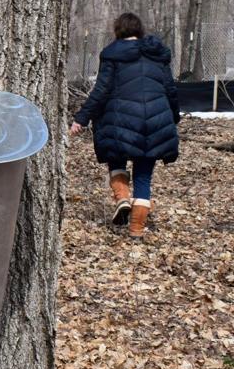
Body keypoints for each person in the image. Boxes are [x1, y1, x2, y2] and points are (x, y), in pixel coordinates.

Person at [69, 12, 179, 240]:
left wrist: (82, 117)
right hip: (155, 121)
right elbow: (170, 89)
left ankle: (121, 198)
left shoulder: (113, 55)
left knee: (116, 156)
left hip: (120, 120)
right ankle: (136, 230)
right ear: (140, 31)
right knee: (143, 176)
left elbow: (101, 90)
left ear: (118, 31)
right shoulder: (157, 55)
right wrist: (173, 117)